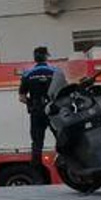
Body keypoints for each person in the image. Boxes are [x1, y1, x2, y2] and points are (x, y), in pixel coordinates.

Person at [18, 47, 60, 179]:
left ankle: (37, 174)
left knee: (37, 143)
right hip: (53, 111)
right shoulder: (56, 72)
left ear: (34, 58)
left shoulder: (27, 74)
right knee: (62, 137)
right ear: (46, 57)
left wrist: (32, 104)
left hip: (36, 112)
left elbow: (22, 97)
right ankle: (69, 163)